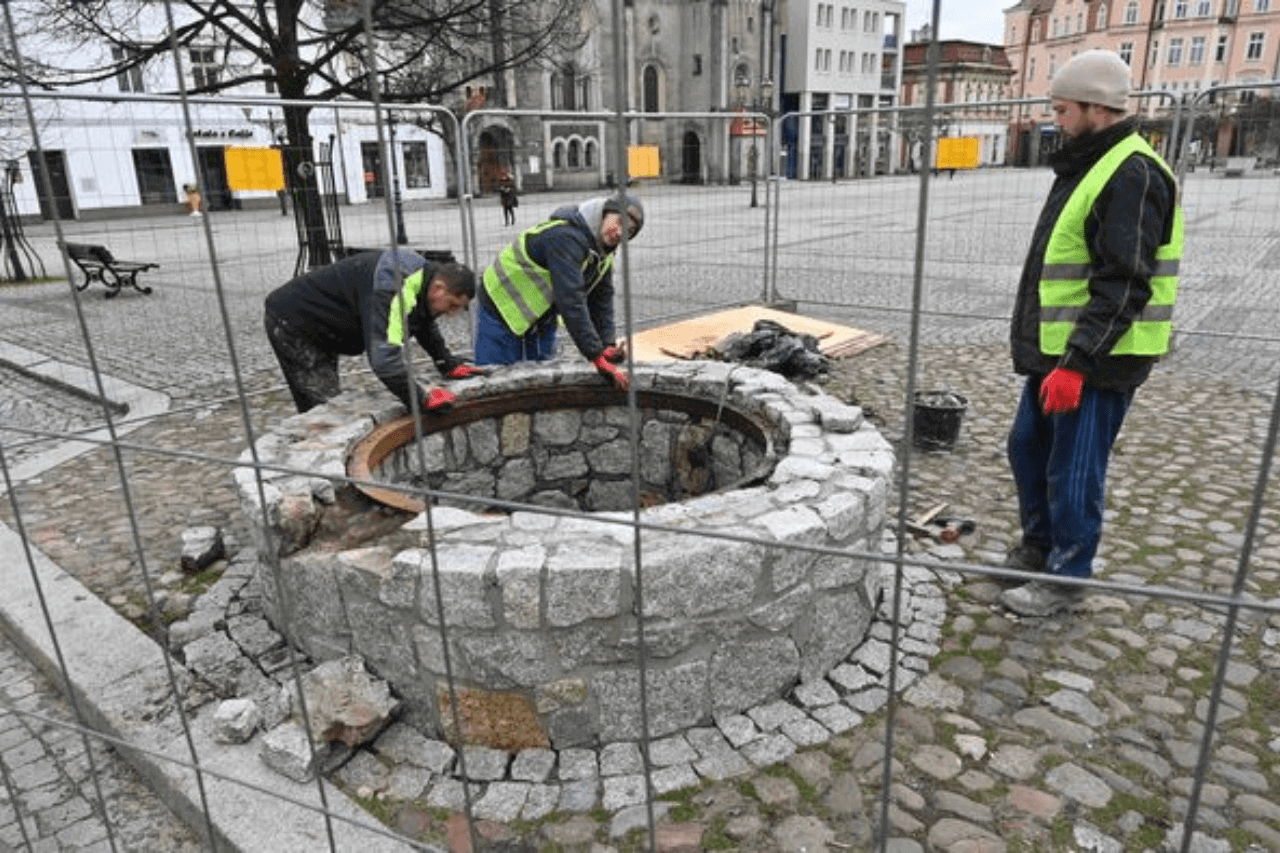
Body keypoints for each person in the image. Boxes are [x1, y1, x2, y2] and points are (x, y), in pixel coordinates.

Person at [1000, 50, 1183, 617]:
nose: (1055, 119)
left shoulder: (1132, 172)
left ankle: (1067, 577)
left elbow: (1124, 281)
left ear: (1096, 108)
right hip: (1059, 353)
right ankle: (1039, 548)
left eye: (1061, 109)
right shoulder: (1090, 162)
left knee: (1074, 469)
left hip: (1098, 359)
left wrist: (1079, 362)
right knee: (1027, 447)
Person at [264, 249, 484, 415]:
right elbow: (384, 363)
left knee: (328, 402)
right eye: (452, 305)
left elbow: (422, 321)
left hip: (325, 324)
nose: (451, 314)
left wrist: (446, 362)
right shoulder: (391, 289)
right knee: (323, 413)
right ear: (439, 289)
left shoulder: (423, 279)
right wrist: (421, 400)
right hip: (296, 323)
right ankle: (318, 472)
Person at [474, 193, 644, 392]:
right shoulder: (566, 237)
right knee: (495, 384)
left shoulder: (604, 252)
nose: (619, 232)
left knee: (538, 384)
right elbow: (571, 300)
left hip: (540, 318)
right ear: (606, 212)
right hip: (500, 307)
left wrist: (607, 344)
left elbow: (601, 301)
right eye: (619, 222)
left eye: (629, 232)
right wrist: (596, 356)